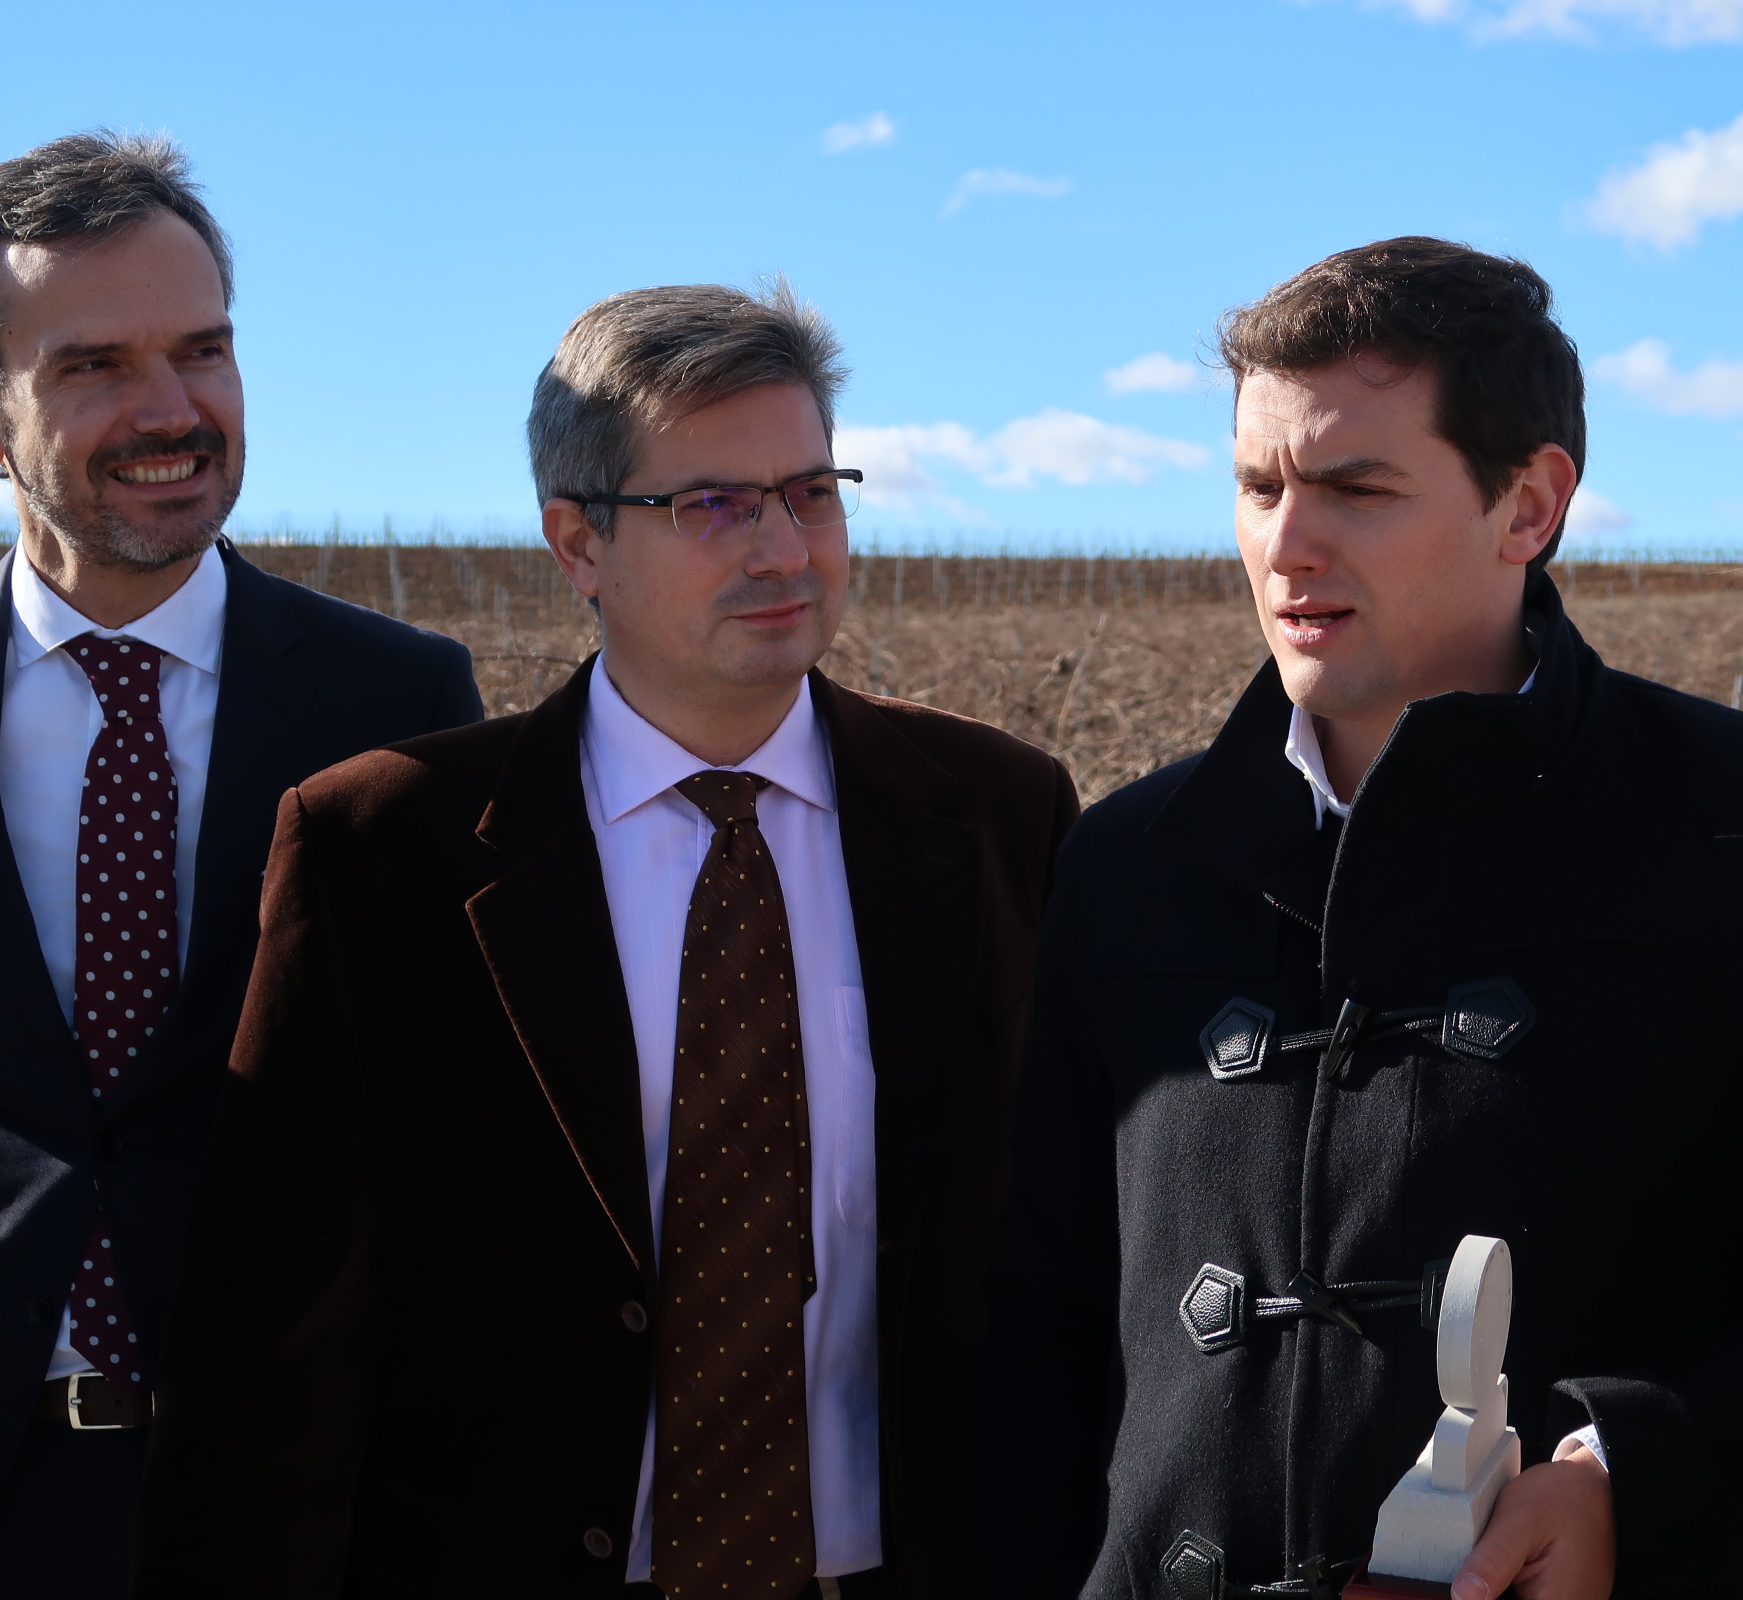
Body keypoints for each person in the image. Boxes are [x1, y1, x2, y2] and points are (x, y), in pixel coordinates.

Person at [980, 237, 1743, 1600]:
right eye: (1259, 485)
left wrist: (1643, 1474)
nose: (1285, 543)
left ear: (1528, 504)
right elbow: (1043, 1314)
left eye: (1356, 488)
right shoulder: (1130, 858)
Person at [132, 281, 1080, 1599]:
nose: (785, 551)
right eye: (712, 505)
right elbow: (278, 1333)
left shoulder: (995, 814)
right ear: (576, 543)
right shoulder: (383, 851)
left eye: (812, 492)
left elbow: (1065, 1259)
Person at [0, 132, 482, 1598]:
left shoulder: (398, 701)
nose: (172, 411)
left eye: (204, 349)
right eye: (95, 364)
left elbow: (448, 1104)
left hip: (294, 1504)